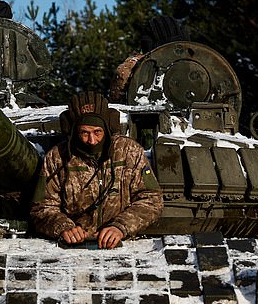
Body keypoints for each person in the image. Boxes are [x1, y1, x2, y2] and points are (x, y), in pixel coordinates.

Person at [30, 91, 163, 249]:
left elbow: (151, 199)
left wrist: (120, 227)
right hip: (73, 246)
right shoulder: (57, 158)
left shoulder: (129, 152)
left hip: (122, 243)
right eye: (84, 133)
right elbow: (41, 207)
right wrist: (64, 227)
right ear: (74, 131)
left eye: (97, 132)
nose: (92, 141)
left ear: (107, 128)